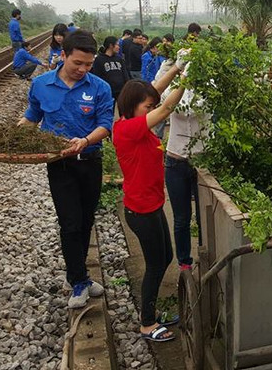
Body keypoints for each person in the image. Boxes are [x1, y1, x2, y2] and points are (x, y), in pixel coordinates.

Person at [18, 30, 114, 308]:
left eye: (88, 64)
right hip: (59, 164)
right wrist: (14, 135)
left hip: (90, 161)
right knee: (70, 222)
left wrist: (85, 140)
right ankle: (79, 280)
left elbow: (105, 125)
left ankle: (78, 274)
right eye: (78, 63)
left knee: (85, 220)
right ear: (63, 55)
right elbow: (32, 117)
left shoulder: (99, 87)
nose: (83, 69)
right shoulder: (41, 85)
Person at [112, 60, 188, 342]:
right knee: (156, 265)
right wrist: (188, 80)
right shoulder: (126, 129)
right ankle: (147, 323)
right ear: (133, 106)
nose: (152, 109)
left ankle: (152, 312)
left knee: (165, 258)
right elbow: (166, 107)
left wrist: (177, 68)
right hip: (141, 210)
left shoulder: (134, 121)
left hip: (152, 205)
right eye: (147, 107)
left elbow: (155, 93)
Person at [159, 24, 207, 270]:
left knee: (205, 217)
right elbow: (160, 99)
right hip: (175, 160)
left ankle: (207, 257)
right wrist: (178, 70)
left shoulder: (211, 86)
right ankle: (184, 263)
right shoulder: (172, 88)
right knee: (181, 218)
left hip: (203, 162)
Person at [91, 36, 130, 106]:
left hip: (121, 90)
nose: (119, 47)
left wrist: (127, 86)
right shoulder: (99, 59)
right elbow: (97, 76)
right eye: (117, 45)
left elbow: (125, 74)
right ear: (111, 45)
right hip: (108, 91)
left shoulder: (119, 59)